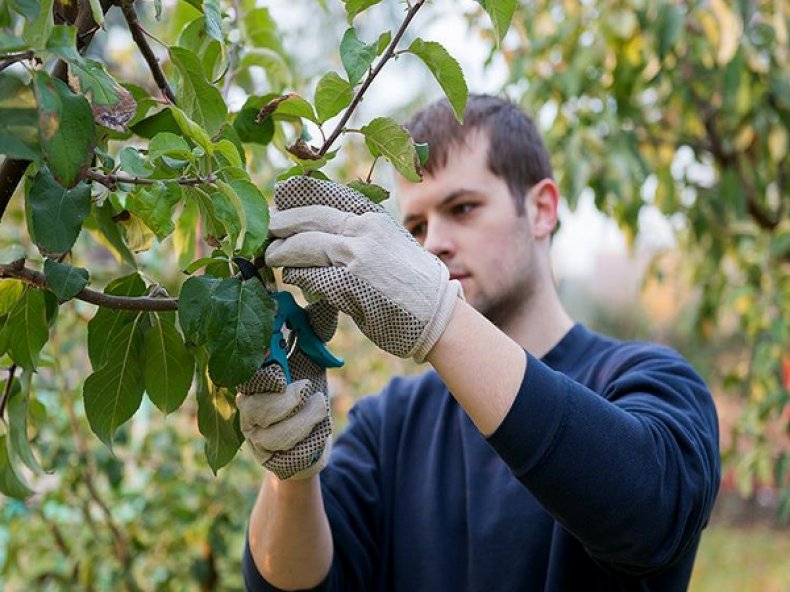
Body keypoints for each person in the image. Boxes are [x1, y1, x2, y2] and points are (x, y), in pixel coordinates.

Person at [236, 94, 720, 591]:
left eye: (462, 208)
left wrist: (439, 317)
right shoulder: (390, 425)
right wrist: (291, 477)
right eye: (416, 227)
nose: (434, 243)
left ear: (541, 209)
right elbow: (294, 584)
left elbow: (649, 516)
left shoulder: (653, 381)